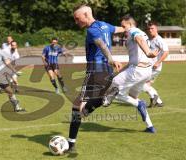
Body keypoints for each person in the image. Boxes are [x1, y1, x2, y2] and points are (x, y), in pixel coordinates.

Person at [66, 4, 124, 153]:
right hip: (106, 72)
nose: (76, 22)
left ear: (86, 15)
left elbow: (102, 45)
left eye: (77, 18)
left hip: (95, 71)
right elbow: (119, 29)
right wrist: (130, 28)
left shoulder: (92, 30)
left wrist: (111, 59)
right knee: (78, 108)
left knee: (78, 107)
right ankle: (71, 143)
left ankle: (103, 99)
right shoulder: (104, 25)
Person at [103, 15, 158, 133]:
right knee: (132, 96)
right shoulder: (136, 34)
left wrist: (148, 52)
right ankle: (150, 126)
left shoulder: (134, 31)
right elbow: (134, 59)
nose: (123, 29)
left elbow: (139, 39)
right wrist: (122, 70)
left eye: (124, 26)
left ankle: (138, 103)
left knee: (113, 90)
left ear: (130, 24)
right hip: (145, 71)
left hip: (138, 71)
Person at [143, 21, 169, 107]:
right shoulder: (150, 39)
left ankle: (155, 99)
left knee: (141, 83)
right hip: (149, 67)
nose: (150, 30)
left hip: (155, 67)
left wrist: (158, 63)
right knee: (146, 85)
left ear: (156, 29)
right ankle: (158, 101)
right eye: (149, 29)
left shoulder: (159, 40)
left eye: (152, 28)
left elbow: (166, 52)